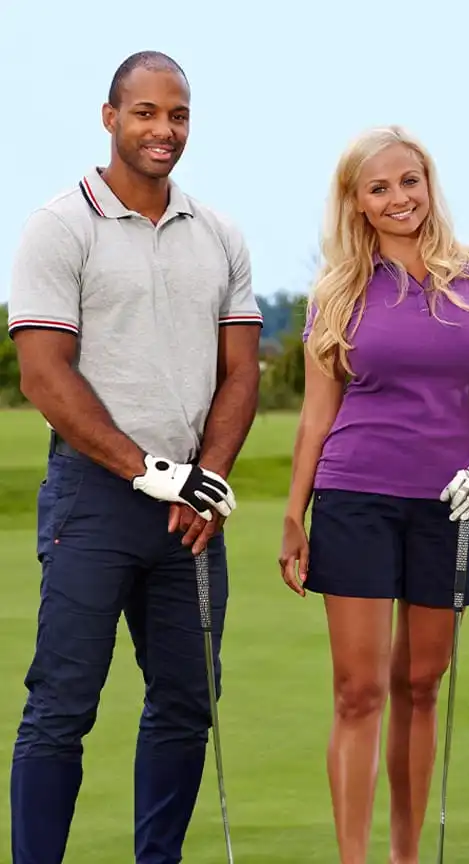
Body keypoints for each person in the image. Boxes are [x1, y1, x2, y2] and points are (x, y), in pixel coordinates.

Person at [6, 51, 262, 864]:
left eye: (178, 114)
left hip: (193, 504)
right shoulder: (61, 224)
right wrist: (148, 471)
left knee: (188, 702)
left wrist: (205, 479)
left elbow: (241, 370)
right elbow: (45, 375)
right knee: (63, 703)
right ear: (110, 117)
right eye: (146, 112)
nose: (164, 130)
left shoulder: (219, 232)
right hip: (96, 501)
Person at [277, 125, 469, 864]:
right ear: (355, 201)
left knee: (421, 682)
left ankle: (405, 856)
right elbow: (319, 413)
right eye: (378, 187)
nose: (398, 198)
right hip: (355, 494)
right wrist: (294, 512)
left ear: (428, 181)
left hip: (452, 501)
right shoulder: (338, 291)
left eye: (408, 181)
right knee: (359, 692)